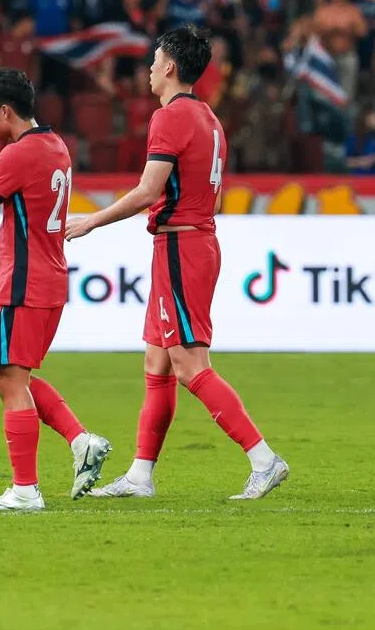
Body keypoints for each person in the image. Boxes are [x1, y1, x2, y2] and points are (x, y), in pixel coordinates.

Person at [66, 26, 289, 501]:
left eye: (153, 60)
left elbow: (149, 190)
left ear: (170, 67)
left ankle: (264, 459)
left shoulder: (168, 117)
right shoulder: (209, 117)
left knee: (189, 366)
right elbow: (216, 192)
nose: (147, 69)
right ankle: (141, 476)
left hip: (181, 247)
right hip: (192, 241)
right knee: (158, 361)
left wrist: (94, 221)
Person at [0, 68, 111, 511]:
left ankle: (25, 489)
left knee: (9, 379)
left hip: (23, 281)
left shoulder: (17, 156)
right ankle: (81, 440)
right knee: (9, 374)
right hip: (51, 279)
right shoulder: (55, 146)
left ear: (4, 111)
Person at [345, 107, 375, 175]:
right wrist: (360, 161)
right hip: (358, 178)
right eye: (374, 118)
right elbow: (347, 161)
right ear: (366, 119)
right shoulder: (353, 137)